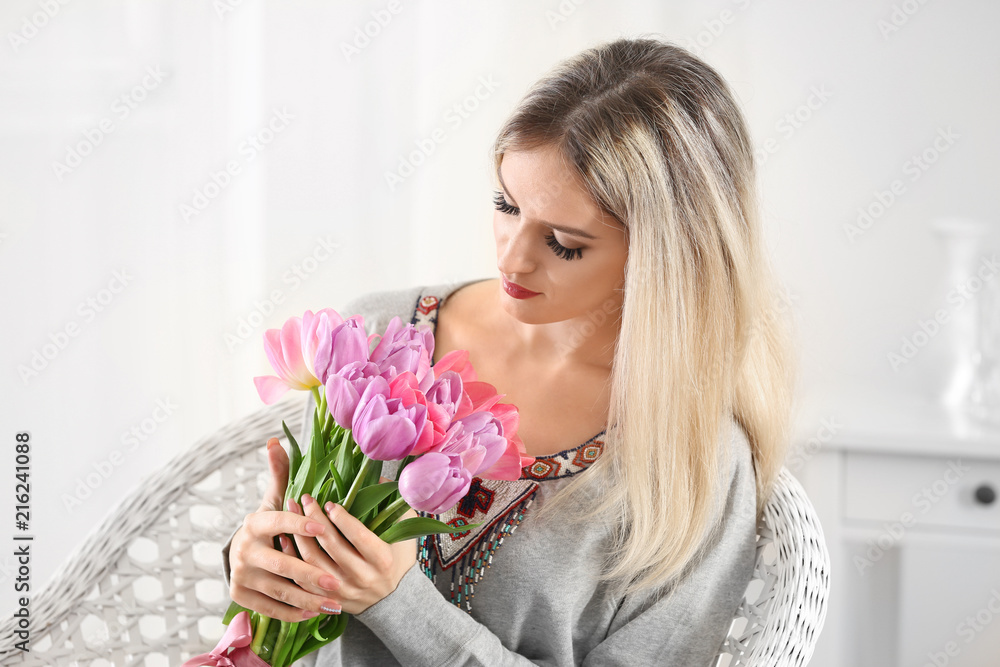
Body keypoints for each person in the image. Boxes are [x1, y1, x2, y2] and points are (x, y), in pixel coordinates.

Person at [221, 34, 797, 666]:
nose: (511, 257)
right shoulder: (377, 336)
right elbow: (290, 621)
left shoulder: (696, 464)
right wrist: (257, 565)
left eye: (565, 243)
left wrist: (398, 603)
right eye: (506, 204)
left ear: (664, 257)